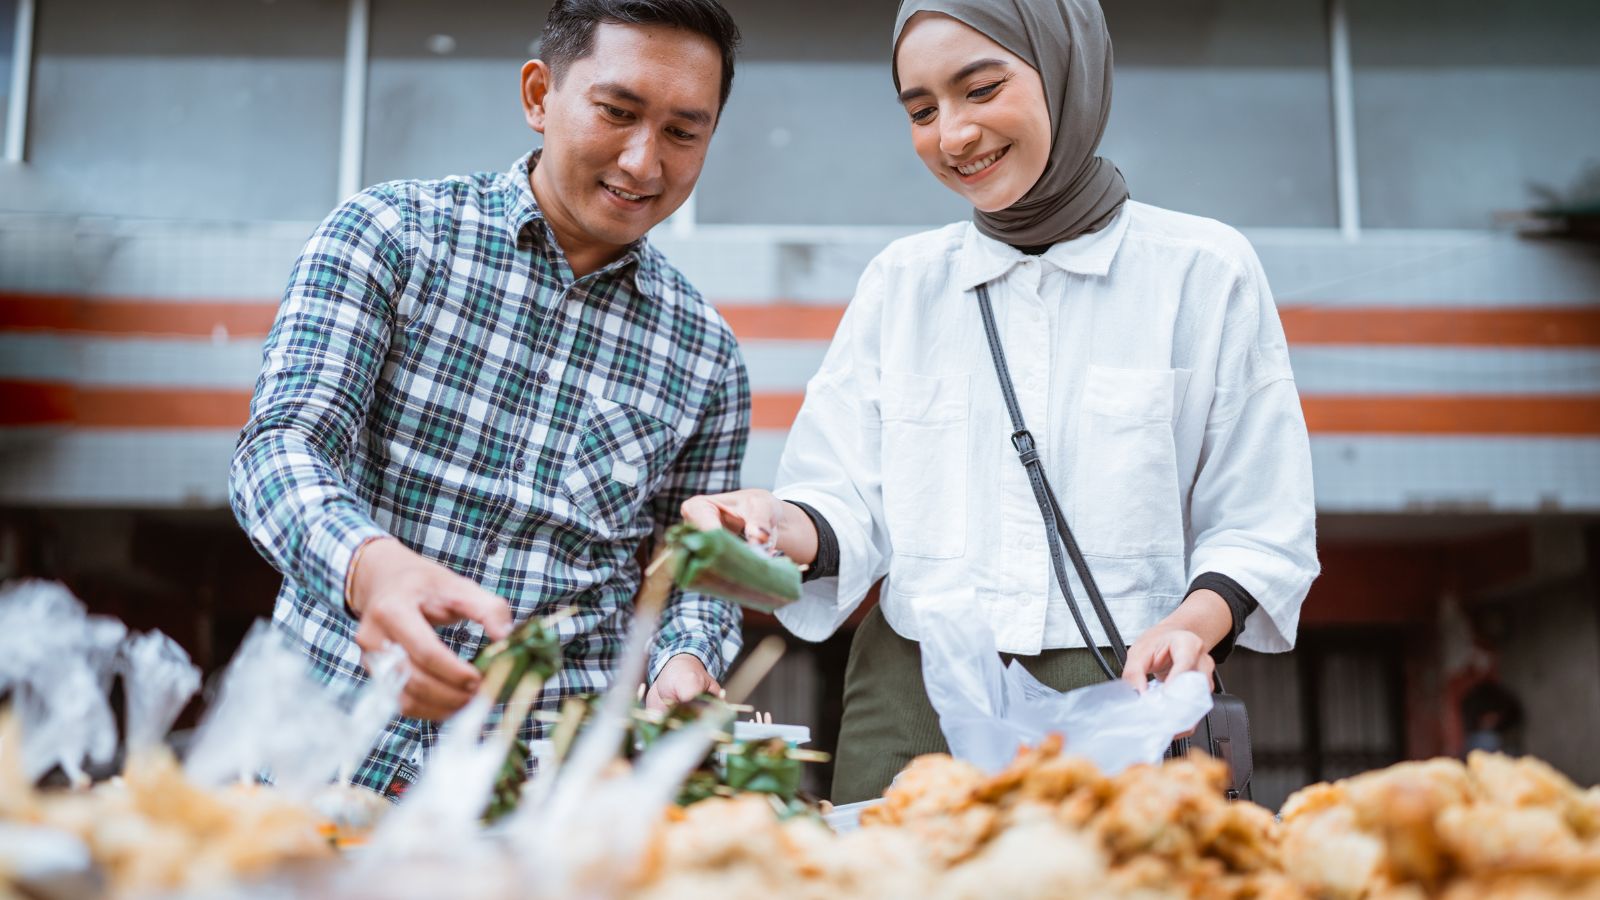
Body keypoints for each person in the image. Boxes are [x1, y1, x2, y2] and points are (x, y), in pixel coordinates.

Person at [683, 0, 1320, 803]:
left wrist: (1192, 626)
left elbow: (1262, 517)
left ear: (1067, 72)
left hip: (1125, 688)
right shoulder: (901, 283)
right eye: (921, 110)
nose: (951, 135)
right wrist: (780, 525)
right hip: (911, 701)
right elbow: (842, 498)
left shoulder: (1203, 271)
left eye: (980, 90)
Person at [230, 0, 748, 798]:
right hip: (318, 761)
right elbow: (280, 448)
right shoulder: (390, 236)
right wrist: (372, 570)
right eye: (617, 112)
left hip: (539, 802)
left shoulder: (706, 354)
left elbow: (693, 572)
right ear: (540, 95)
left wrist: (685, 657)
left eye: (684, 132)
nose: (644, 163)